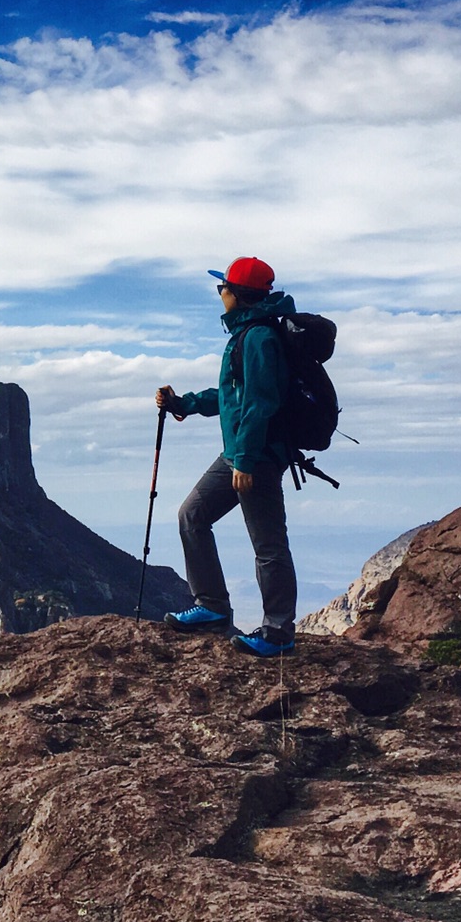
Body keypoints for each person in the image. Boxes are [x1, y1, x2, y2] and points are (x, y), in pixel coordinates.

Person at [154, 256, 299, 657]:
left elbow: (259, 402)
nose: (220, 294)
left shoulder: (259, 339)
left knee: (268, 545)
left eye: (223, 288)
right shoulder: (245, 334)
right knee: (192, 516)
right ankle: (212, 607)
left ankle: (278, 633)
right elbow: (232, 397)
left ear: (238, 295)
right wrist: (184, 403)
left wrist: (247, 460)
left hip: (256, 456)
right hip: (237, 453)